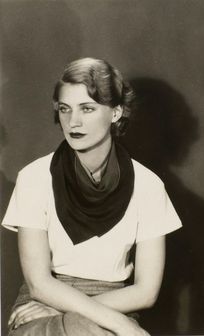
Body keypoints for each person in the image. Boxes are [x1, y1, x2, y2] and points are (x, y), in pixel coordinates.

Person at [2, 57, 182, 336]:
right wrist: (120, 325)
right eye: (65, 109)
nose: (73, 122)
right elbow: (39, 283)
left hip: (113, 305)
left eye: (87, 108)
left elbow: (146, 292)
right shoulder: (34, 177)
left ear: (116, 113)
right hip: (39, 306)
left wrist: (70, 310)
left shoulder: (148, 186)